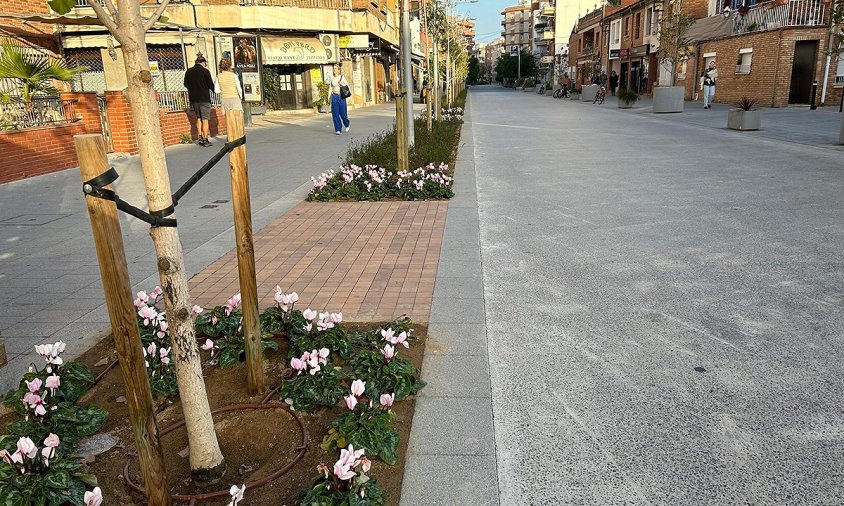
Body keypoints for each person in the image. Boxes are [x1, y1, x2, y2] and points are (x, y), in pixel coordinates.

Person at [184, 55, 215, 147]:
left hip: (194, 99)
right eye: (205, 64)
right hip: (204, 99)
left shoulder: (189, 71)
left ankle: (200, 137)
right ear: (203, 62)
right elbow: (211, 85)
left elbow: (185, 84)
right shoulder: (205, 71)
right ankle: (205, 139)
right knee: (205, 119)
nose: (205, 65)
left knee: (198, 118)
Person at [328, 63, 350, 135]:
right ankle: (338, 129)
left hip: (341, 96)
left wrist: (341, 84)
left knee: (343, 114)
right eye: (333, 69)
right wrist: (328, 97)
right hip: (334, 96)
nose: (334, 70)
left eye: (335, 68)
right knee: (335, 114)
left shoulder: (342, 77)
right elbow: (330, 87)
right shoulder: (331, 78)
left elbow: (347, 86)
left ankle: (347, 123)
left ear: (338, 70)